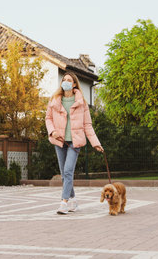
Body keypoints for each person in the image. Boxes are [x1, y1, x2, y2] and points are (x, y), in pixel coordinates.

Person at [45, 72, 104, 214]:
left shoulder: (81, 102)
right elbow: (48, 118)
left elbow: (88, 125)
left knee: (68, 171)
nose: (65, 82)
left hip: (74, 142)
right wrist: (52, 132)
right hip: (59, 141)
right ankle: (74, 201)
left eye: (68, 80)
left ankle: (64, 203)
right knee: (65, 174)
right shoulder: (54, 100)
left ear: (74, 84)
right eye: (63, 80)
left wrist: (95, 143)